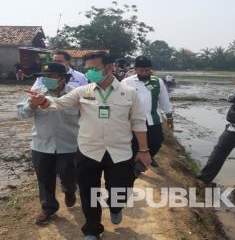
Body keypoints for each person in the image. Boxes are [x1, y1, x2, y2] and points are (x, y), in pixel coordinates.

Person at [27, 51, 150, 239]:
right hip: (88, 151)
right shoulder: (83, 91)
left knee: (119, 190)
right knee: (88, 193)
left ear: (109, 68)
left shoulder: (129, 93)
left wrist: (143, 150)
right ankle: (92, 229)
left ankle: (116, 207)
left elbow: (139, 122)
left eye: (94, 68)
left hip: (120, 151)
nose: (90, 72)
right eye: (88, 69)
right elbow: (59, 103)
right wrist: (42, 101)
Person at [17, 62, 79, 225]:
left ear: (62, 78)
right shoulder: (36, 93)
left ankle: (70, 190)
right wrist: (31, 105)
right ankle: (48, 208)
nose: (47, 79)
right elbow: (21, 114)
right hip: (42, 144)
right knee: (44, 178)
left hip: (69, 144)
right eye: (44, 76)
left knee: (68, 175)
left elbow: (87, 116)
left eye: (51, 76)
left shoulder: (75, 95)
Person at [122, 56, 173, 171]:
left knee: (156, 141)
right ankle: (133, 165)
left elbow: (164, 100)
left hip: (152, 118)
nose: (144, 73)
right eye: (141, 70)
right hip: (133, 120)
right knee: (134, 144)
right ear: (135, 69)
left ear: (151, 69)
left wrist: (169, 116)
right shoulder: (127, 82)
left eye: (147, 70)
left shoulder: (157, 82)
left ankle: (147, 157)